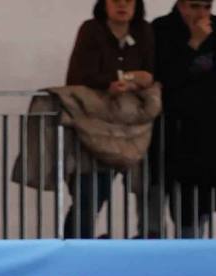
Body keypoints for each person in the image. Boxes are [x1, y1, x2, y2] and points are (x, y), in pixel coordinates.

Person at [62, 0, 158, 239]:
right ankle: (76, 245)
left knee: (144, 188)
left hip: (133, 127)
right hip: (95, 125)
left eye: (128, 0)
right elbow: (78, 75)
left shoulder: (144, 30)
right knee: (91, 192)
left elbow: (150, 73)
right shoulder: (91, 29)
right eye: (115, 0)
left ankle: (145, 241)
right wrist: (118, 80)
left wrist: (134, 80)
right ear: (104, 4)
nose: (122, 5)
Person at [152, 0, 216, 238]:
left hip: (211, 124)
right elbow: (166, 76)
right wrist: (194, 43)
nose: (201, 14)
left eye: (207, 7)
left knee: (205, 193)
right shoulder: (162, 28)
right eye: (194, 6)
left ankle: (194, 239)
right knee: (169, 189)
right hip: (174, 125)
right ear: (180, 5)